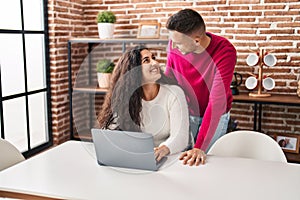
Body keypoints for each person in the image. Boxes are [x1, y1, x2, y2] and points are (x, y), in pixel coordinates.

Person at [165, 9, 237, 166]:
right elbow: (169, 81)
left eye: (178, 43)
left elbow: (217, 101)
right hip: (187, 110)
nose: (173, 47)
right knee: (179, 161)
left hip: (214, 114)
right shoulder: (175, 43)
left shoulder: (225, 51)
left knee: (205, 161)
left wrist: (200, 147)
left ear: (196, 41)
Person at [97, 46, 190, 162]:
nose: (155, 62)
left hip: (169, 158)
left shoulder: (174, 93)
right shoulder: (125, 98)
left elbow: (181, 137)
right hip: (138, 159)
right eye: (146, 60)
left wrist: (163, 149)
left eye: (153, 58)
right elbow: (110, 132)